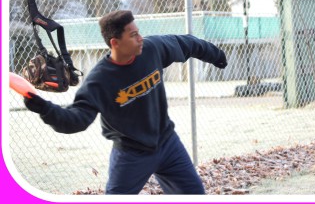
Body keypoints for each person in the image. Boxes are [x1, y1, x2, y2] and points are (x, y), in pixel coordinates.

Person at [24, 10, 228, 195]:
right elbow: (77, 119)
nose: (140, 39)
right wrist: (45, 109)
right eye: (133, 35)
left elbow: (186, 43)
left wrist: (216, 55)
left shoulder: (152, 49)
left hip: (167, 144)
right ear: (115, 43)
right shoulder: (99, 81)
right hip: (131, 154)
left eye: (138, 32)